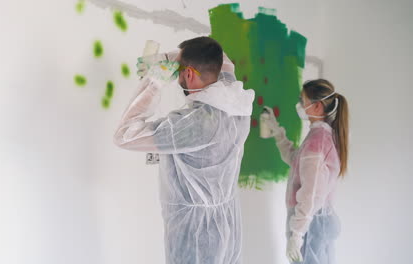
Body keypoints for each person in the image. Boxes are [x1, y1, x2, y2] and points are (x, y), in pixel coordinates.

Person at [113, 36, 255, 264]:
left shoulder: (194, 123)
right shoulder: (236, 101)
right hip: (228, 224)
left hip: (196, 233)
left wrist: (154, 82)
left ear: (189, 74)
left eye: (179, 72)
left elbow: (124, 135)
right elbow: (222, 58)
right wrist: (170, 58)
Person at [264, 79, 349, 264]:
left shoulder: (317, 143)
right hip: (313, 223)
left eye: (303, 101)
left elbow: (311, 194)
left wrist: (297, 234)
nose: (300, 106)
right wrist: (277, 131)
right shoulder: (321, 137)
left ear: (317, 106)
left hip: (310, 226)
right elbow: (295, 160)